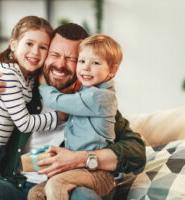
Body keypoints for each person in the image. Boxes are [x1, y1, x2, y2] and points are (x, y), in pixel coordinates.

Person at [0, 22, 146, 200]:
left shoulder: (94, 103)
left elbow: (136, 152)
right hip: (16, 185)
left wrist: (80, 158)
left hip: (61, 187)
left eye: (71, 59)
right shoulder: (24, 91)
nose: (60, 64)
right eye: (54, 54)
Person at [28, 34, 123, 200]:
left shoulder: (98, 97)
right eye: (81, 61)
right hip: (76, 172)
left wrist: (42, 83)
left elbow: (55, 100)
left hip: (97, 174)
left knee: (56, 185)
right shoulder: (85, 92)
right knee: (35, 193)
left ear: (112, 70)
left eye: (95, 63)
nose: (86, 68)